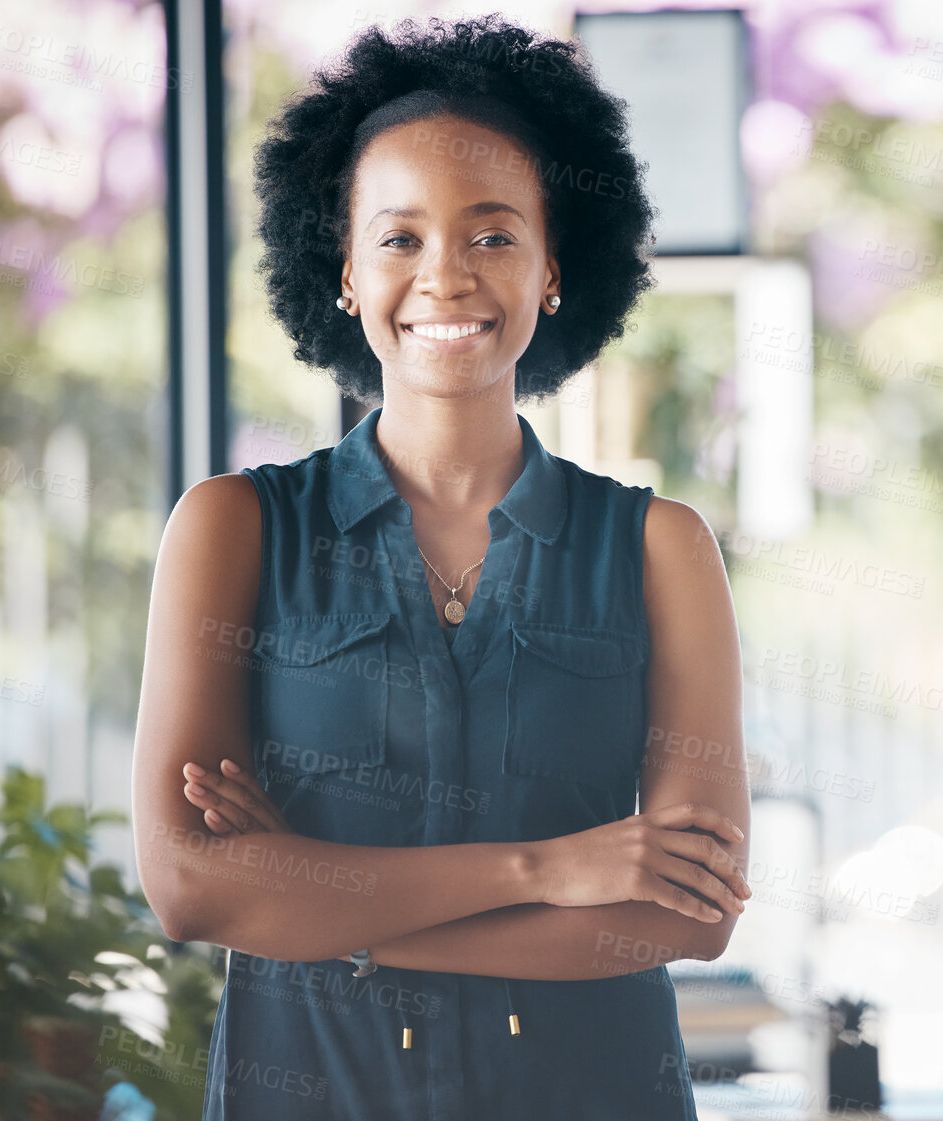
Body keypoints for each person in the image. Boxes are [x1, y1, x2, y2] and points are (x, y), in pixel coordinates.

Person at [130, 16, 750, 1119]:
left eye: (494, 234)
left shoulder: (662, 549)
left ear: (555, 268)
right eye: (400, 236)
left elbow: (692, 912)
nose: (446, 276)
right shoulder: (233, 530)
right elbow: (188, 884)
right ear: (346, 271)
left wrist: (322, 905)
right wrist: (550, 869)